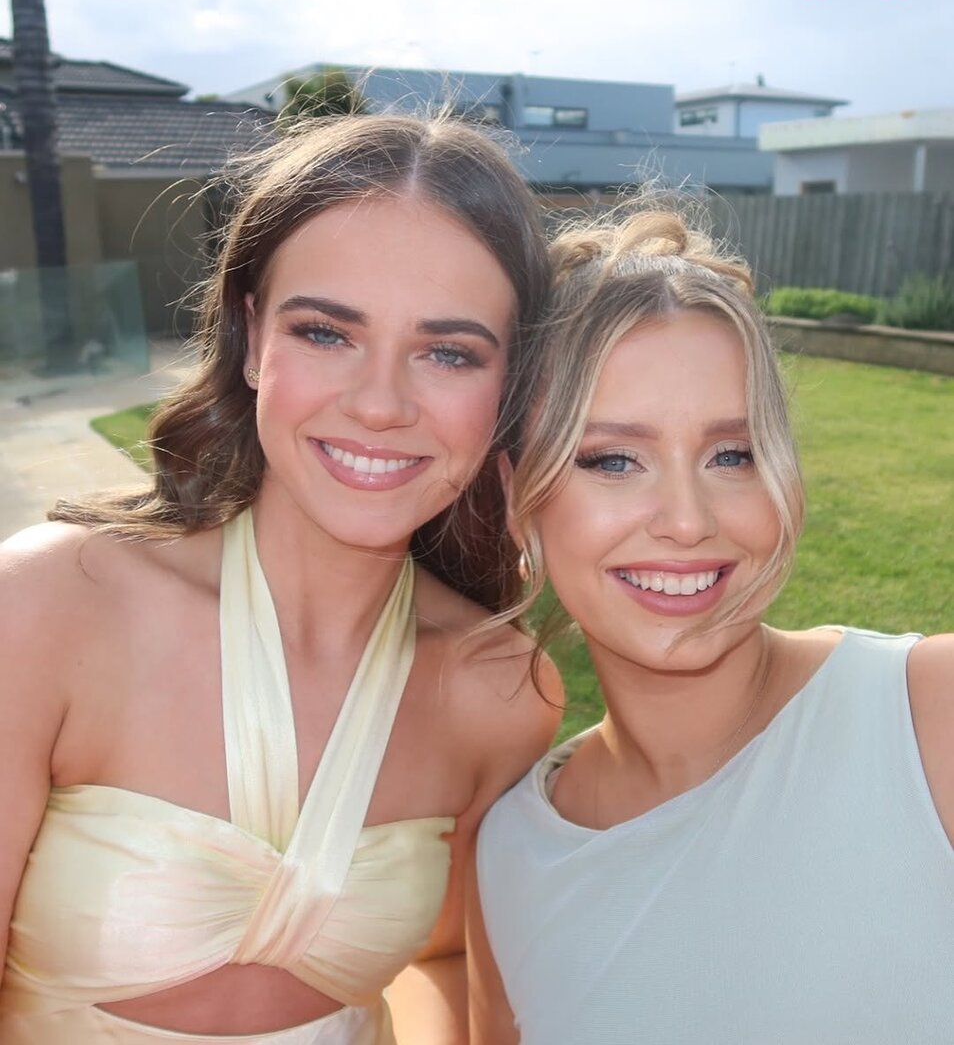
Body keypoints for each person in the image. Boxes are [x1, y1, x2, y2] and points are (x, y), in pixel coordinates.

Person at [0, 114, 562, 1044]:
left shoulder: (501, 689)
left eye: (448, 352)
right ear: (253, 337)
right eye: (326, 333)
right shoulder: (48, 610)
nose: (379, 404)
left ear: (510, 386)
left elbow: (450, 964)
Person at [469, 206, 954, 1045]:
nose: (688, 521)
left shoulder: (933, 720)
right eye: (613, 459)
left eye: (732, 455)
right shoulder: (511, 856)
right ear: (517, 499)